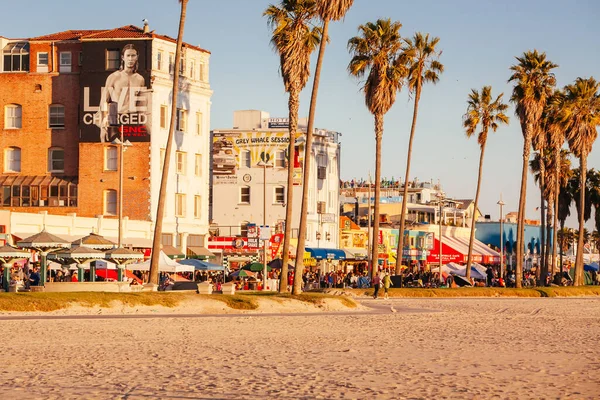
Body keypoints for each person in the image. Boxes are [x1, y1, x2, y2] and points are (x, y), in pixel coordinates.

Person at [95, 44, 148, 142]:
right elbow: (103, 102)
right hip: (114, 119)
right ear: (123, 57)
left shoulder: (140, 79)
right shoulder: (114, 77)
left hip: (131, 121)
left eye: (133, 55)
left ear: (137, 57)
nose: (131, 59)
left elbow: (141, 106)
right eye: (128, 56)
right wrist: (103, 127)